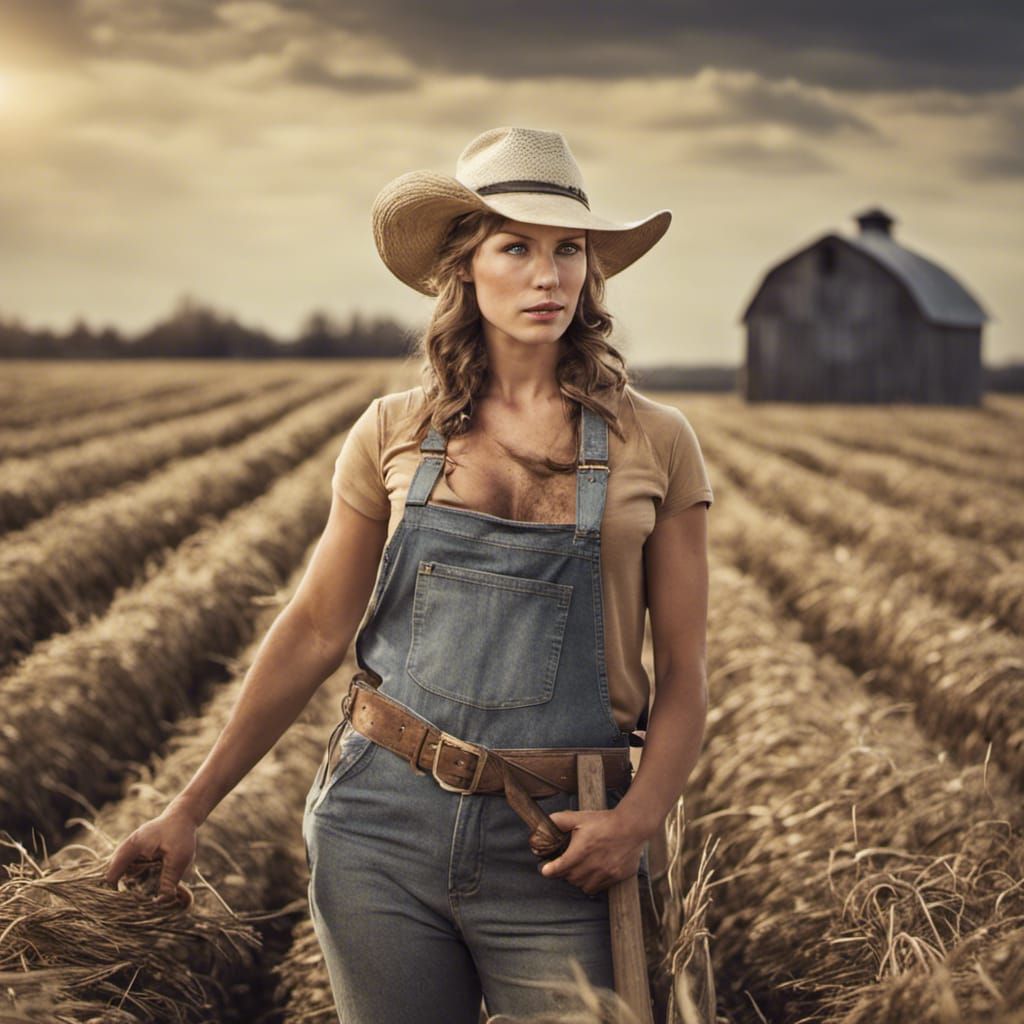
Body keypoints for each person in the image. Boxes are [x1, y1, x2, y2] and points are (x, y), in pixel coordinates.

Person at [103, 126, 712, 1023]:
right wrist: (189, 808)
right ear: (464, 266)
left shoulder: (655, 442)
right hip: (378, 826)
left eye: (568, 251)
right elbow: (314, 630)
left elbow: (689, 678)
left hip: (559, 844)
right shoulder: (392, 430)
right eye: (517, 247)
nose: (548, 277)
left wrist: (639, 819)